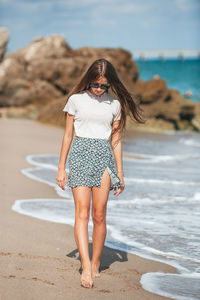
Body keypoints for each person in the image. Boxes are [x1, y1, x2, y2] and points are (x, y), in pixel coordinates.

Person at [56, 58, 145, 289]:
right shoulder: (75, 100)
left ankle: (96, 262)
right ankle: (85, 265)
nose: (99, 90)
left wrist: (120, 174)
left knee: (99, 215)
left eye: (104, 86)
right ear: (88, 81)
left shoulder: (114, 105)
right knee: (82, 213)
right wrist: (60, 168)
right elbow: (67, 136)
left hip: (103, 158)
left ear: (110, 84)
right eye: (96, 85)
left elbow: (116, 140)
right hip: (79, 156)